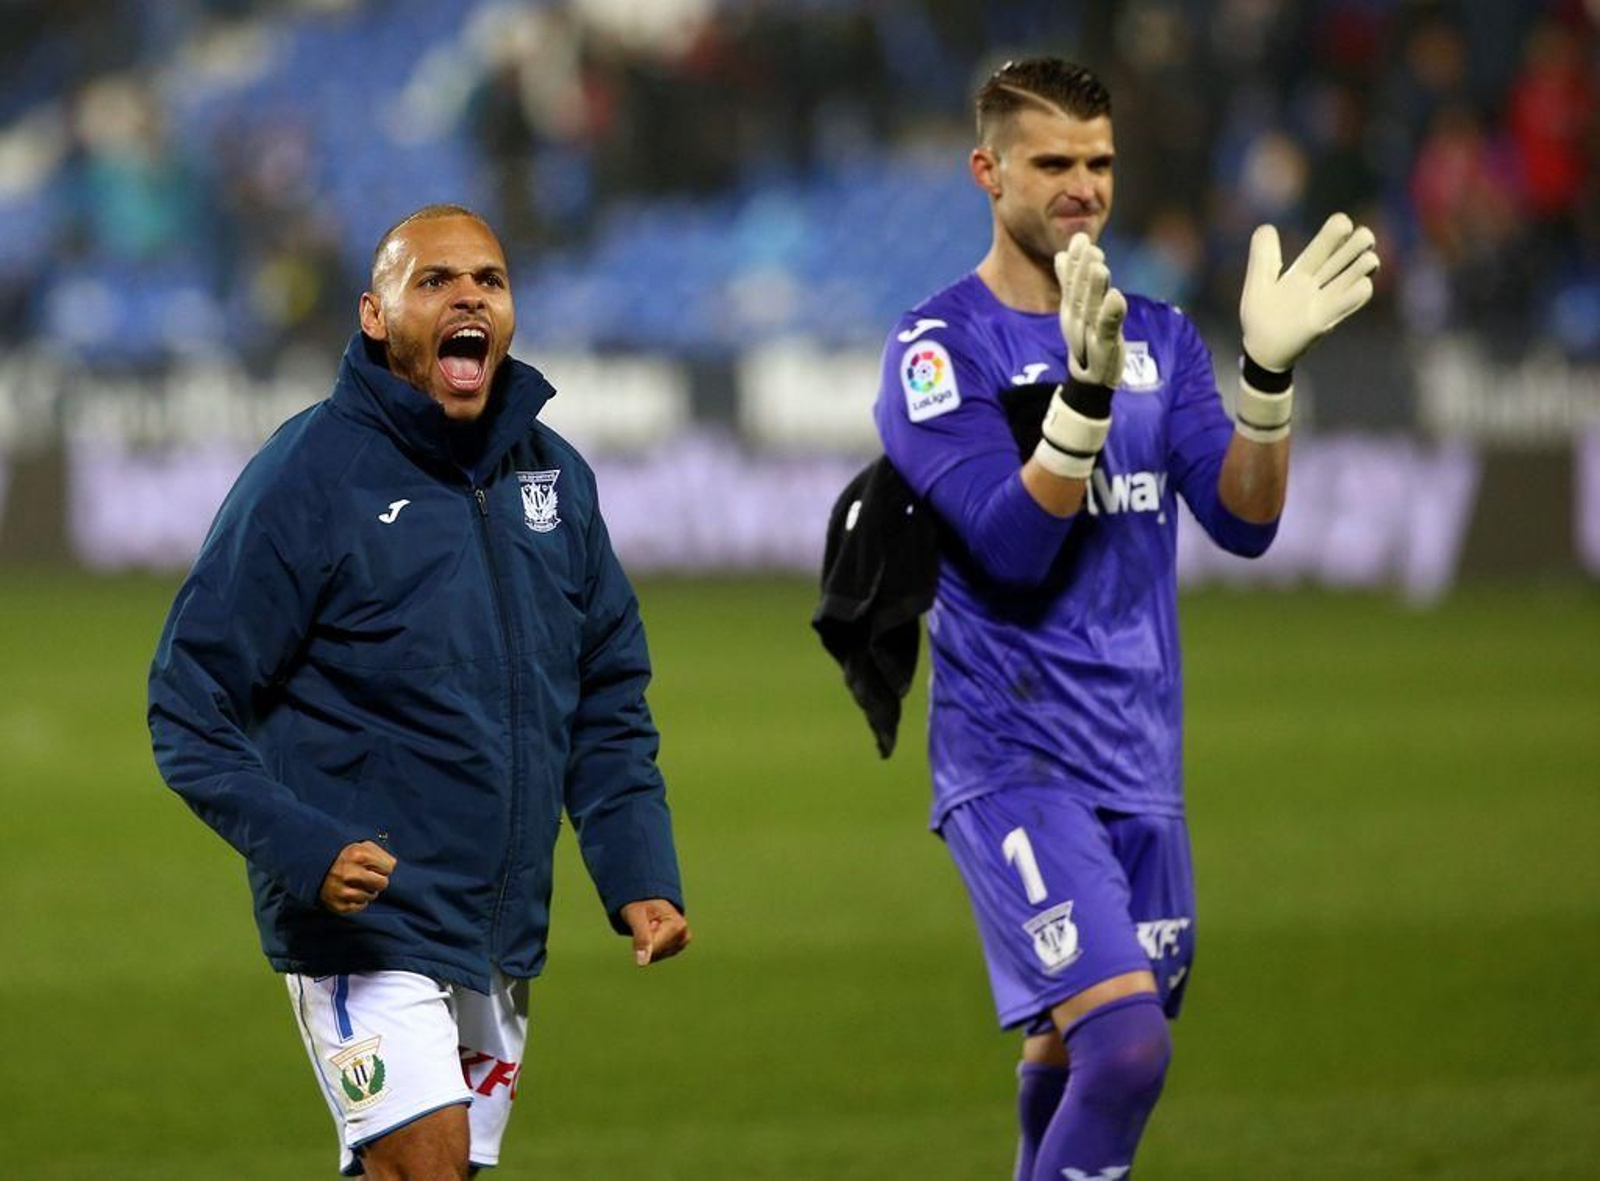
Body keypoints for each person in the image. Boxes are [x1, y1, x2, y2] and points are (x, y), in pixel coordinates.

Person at [870, 59, 1377, 1178]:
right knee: (1127, 1047)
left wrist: (1266, 380)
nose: (1083, 185)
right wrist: (1081, 408)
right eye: (1052, 161)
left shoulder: (1162, 337)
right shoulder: (938, 347)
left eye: (1098, 161)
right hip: (1013, 758)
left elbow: (1244, 521)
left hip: (1140, 761)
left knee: (1069, 1053)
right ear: (987, 171)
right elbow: (1008, 544)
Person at [148, 204, 690, 1179]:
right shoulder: (308, 476)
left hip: (498, 926)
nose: (469, 296)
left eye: (490, 279)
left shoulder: (555, 479)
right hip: (366, 921)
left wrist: (637, 867)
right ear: (375, 313)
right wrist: (305, 847)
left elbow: (607, 690)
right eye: (434, 280)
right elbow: (187, 702)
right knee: (425, 1168)